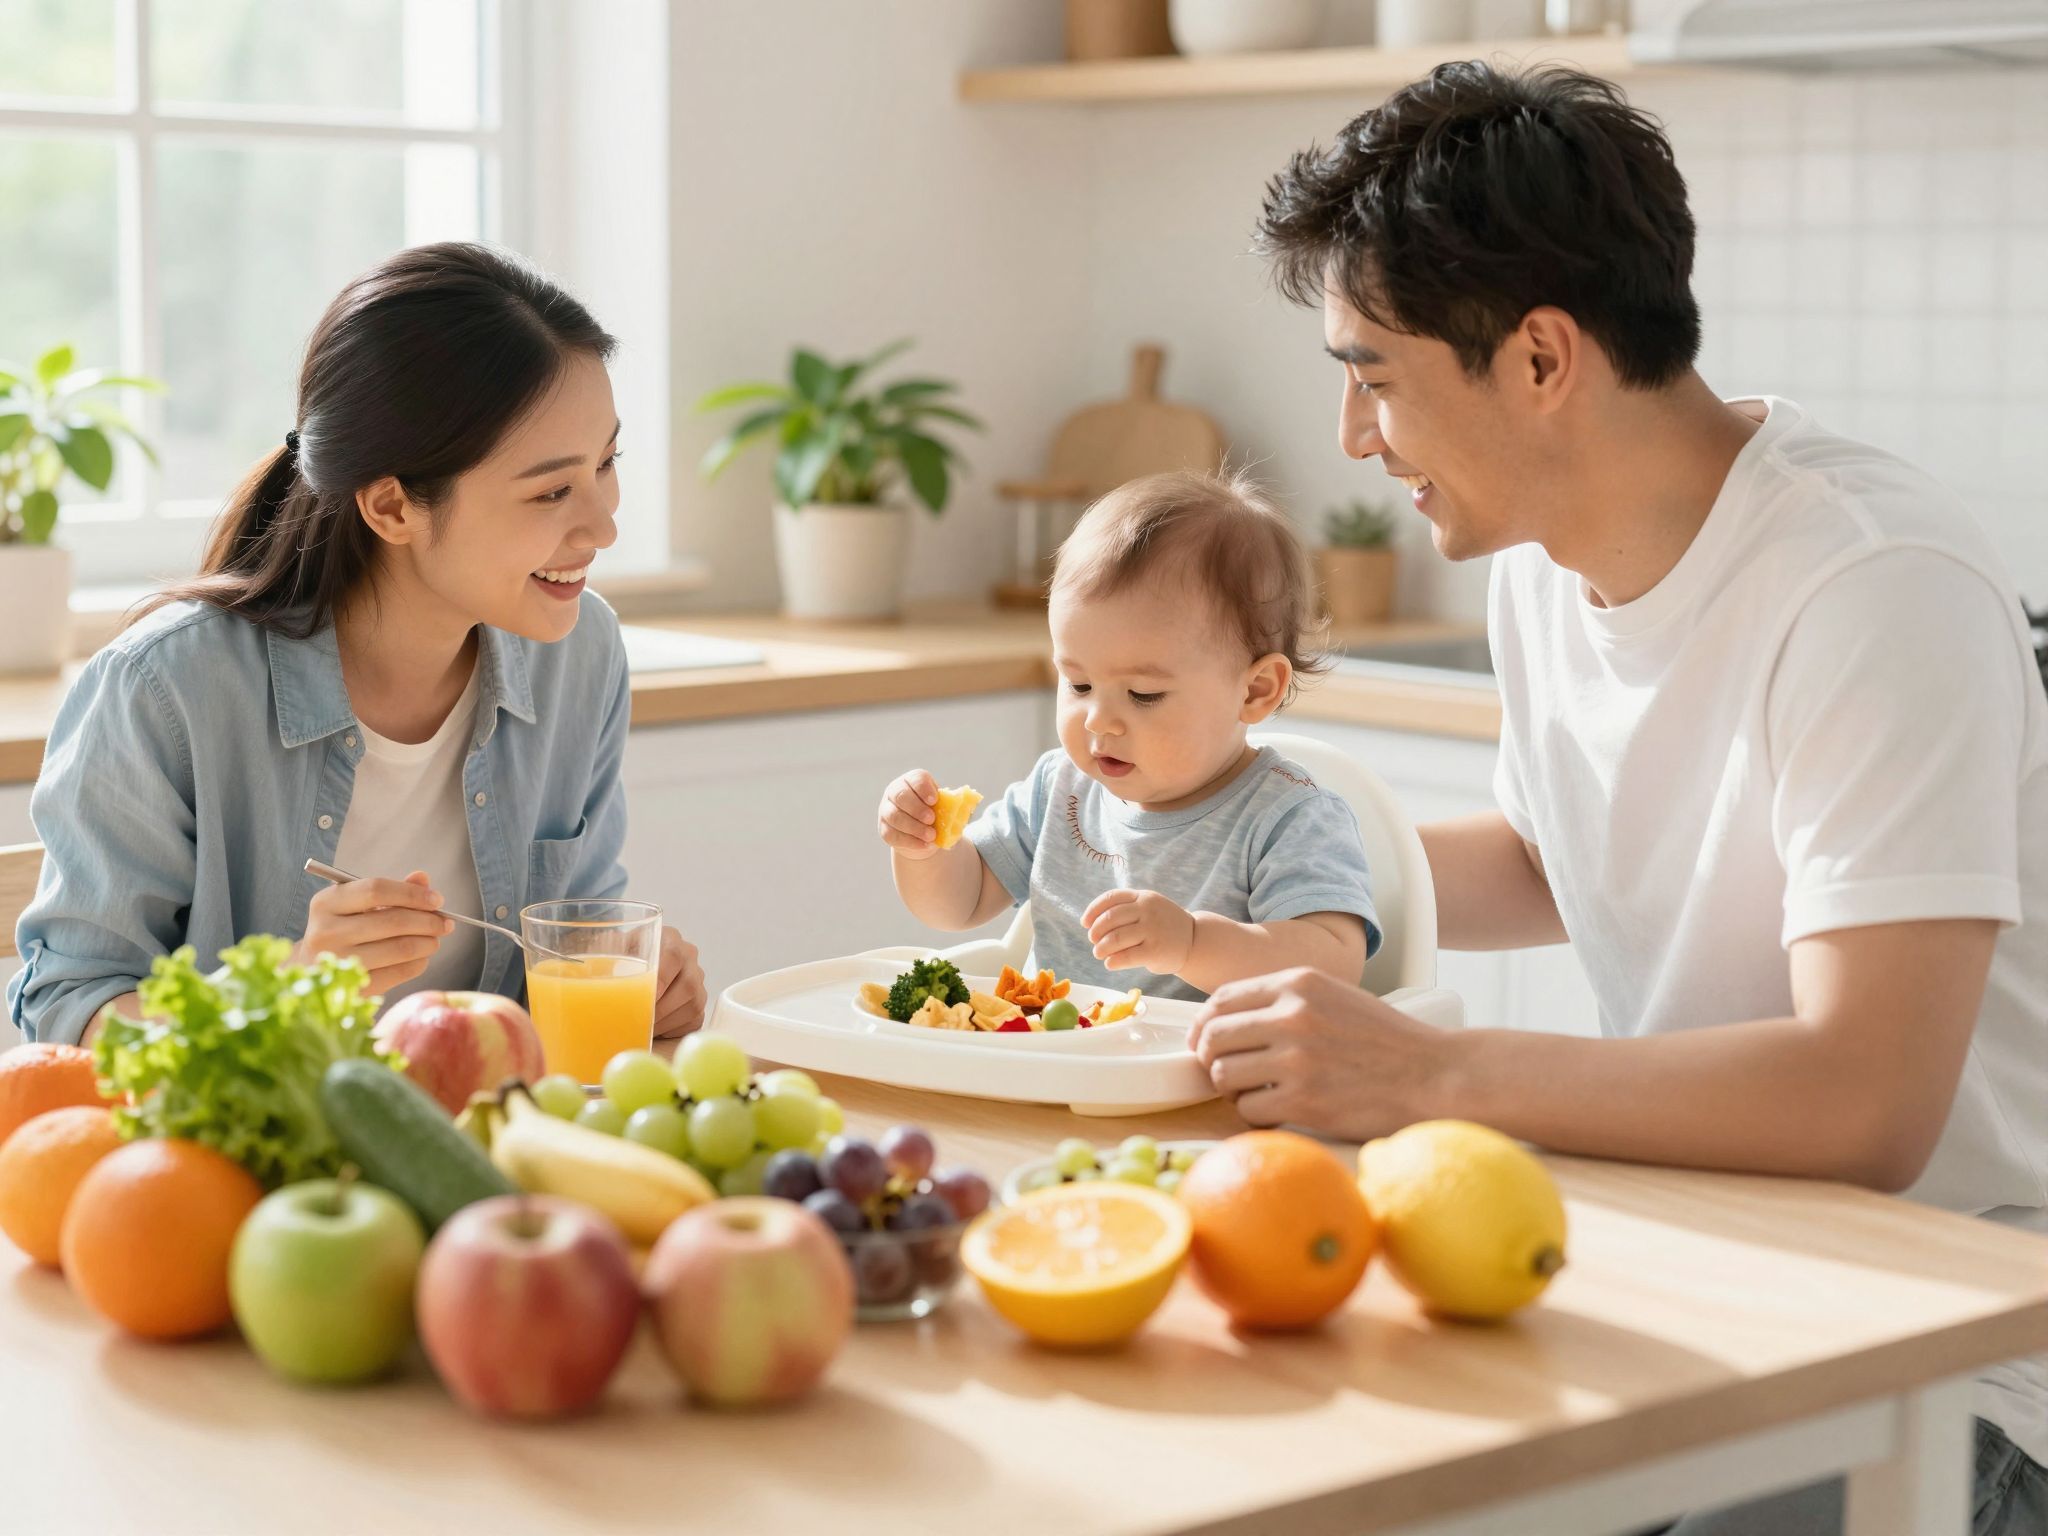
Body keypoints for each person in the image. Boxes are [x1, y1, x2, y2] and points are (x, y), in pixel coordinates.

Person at [1196, 62, 2047, 1531]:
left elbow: (1869, 1099)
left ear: (1539, 360)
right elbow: (1551, 854)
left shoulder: (1871, 585)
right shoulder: (1545, 554)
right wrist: (1246, 866)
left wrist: (1425, 1076)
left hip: (1956, 1348)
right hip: (1707, 1262)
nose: (1351, 435)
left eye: (1374, 374)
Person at [10, 242, 706, 1046]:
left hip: (482, 1140)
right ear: (392, 507)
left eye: (607, 463)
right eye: (552, 490)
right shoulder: (165, 691)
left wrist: (644, 984)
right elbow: (67, 1013)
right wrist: (285, 990)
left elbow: (571, 946)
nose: (605, 526)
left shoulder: (579, 654)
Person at [878, 468, 1379, 1002]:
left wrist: (1191, 943)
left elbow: (1331, 966)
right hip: (1052, 1061)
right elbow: (958, 903)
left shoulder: (1288, 816)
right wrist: (925, 851)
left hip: (1209, 1079)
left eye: (1143, 694)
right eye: (1079, 683)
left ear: (1255, 690)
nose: (1098, 720)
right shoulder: (1061, 788)